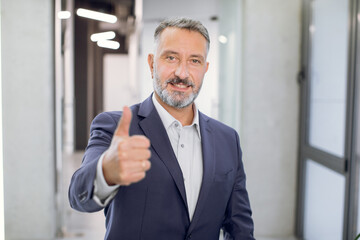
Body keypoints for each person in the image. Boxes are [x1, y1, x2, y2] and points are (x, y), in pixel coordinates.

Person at [69, 17, 254, 240]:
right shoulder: (114, 126)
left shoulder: (227, 140)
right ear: (151, 63)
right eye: (171, 57)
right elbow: (78, 196)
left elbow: (240, 226)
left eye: (194, 61)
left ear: (205, 69)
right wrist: (106, 171)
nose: (182, 73)